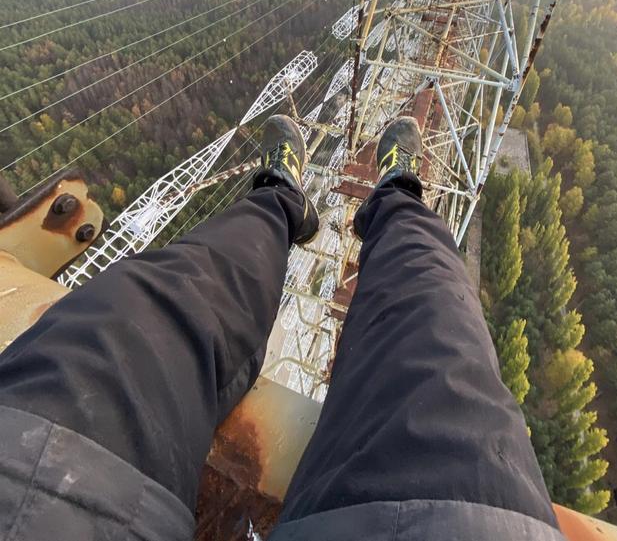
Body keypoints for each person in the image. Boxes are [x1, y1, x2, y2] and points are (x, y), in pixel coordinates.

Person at [0, 114, 565, 540]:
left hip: (34, 470)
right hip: (464, 518)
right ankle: (395, 197)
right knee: (438, 328)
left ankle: (279, 199)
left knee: (130, 317)